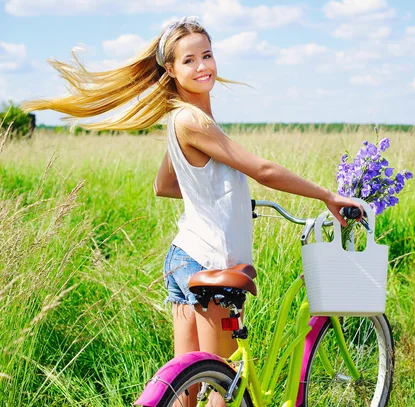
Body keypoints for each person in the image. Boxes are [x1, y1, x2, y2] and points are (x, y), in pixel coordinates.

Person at [22, 16, 361, 406]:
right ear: (171, 68)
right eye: (189, 60)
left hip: (183, 258)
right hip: (213, 261)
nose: (202, 66)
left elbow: (164, 185)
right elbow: (263, 170)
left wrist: (220, 195)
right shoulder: (194, 120)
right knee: (224, 382)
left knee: (188, 381)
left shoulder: (179, 118)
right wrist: (326, 196)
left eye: (207, 55)